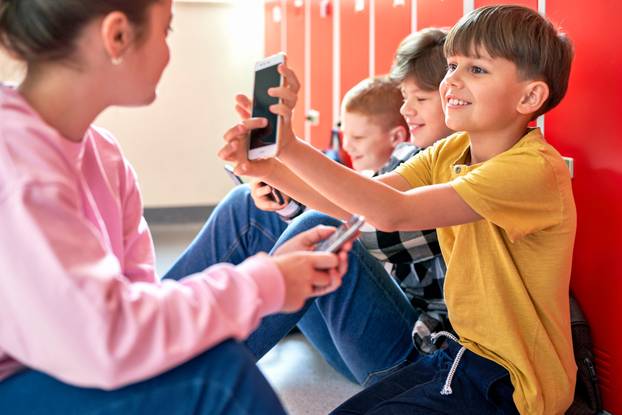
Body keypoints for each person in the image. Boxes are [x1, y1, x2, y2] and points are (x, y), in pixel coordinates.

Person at [0, 1, 353, 414]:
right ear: (117, 36)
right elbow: (109, 338)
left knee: (207, 342)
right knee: (216, 377)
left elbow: (138, 300)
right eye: (166, 31)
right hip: (19, 377)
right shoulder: (16, 162)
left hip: (70, 352)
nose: (169, 51)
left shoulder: (106, 157)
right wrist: (266, 283)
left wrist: (270, 279)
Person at [222, 4, 576, 414]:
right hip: (459, 356)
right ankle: (185, 353)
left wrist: (290, 148)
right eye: (451, 66)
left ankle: (191, 370)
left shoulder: (531, 169)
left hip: (512, 387)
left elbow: (392, 213)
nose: (451, 82)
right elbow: (354, 204)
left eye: (476, 70)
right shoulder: (452, 149)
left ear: (530, 95)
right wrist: (268, 167)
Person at [210, 28, 454, 386]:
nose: (406, 110)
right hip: (368, 337)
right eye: (404, 97)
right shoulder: (414, 157)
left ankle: (197, 373)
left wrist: (283, 160)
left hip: (416, 357)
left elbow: (372, 224)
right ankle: (161, 329)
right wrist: (276, 181)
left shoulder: (459, 166)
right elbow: (355, 206)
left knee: (318, 226)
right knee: (246, 204)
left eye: (420, 99)